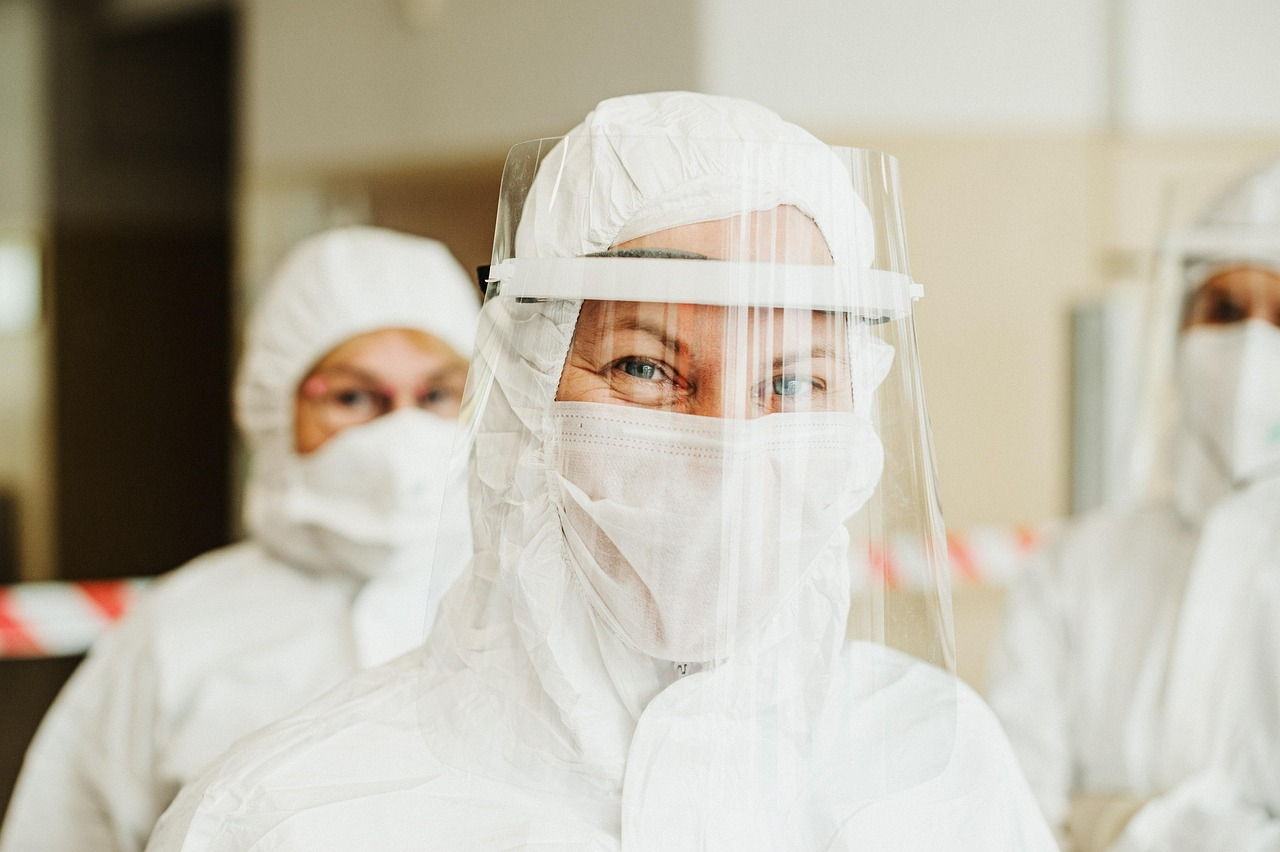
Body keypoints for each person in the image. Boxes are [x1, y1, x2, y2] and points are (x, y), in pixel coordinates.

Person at [146, 92, 1054, 851]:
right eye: (644, 368)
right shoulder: (293, 816)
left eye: (791, 380)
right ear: (524, 393)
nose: (729, 445)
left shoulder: (936, 764)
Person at [0, 227, 481, 852]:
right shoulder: (177, 628)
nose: (401, 432)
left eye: (438, 394)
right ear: (276, 411)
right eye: (354, 396)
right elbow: (63, 834)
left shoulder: (535, 602)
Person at [987, 159, 1280, 850]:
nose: (1252, 348)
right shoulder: (1077, 565)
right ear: (1178, 332)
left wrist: (1112, 824)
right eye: (1226, 311)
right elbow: (1009, 811)